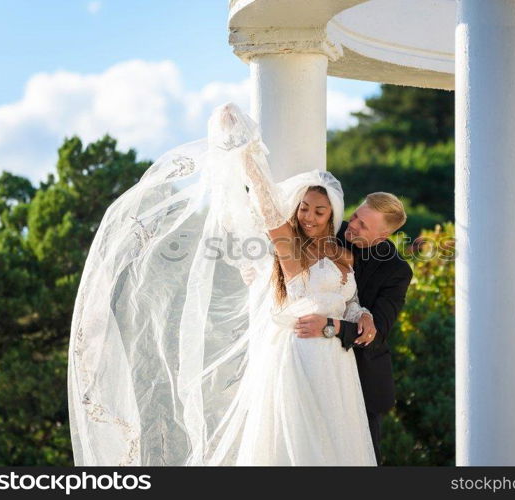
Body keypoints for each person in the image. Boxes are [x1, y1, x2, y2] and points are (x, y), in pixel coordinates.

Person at [67, 102, 378, 465]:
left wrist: (364, 314)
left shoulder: (343, 256)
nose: (309, 216)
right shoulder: (290, 250)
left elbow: (347, 302)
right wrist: (246, 153)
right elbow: (267, 208)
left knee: (337, 443)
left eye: (319, 211)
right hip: (302, 354)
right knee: (302, 444)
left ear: (332, 215)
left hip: (337, 361)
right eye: (304, 208)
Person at [292, 193, 413, 464]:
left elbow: (377, 334)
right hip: (310, 363)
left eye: (362, 226)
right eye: (356, 215)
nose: (352, 225)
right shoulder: (331, 230)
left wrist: (331, 326)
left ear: (382, 238)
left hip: (362, 377)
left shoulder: (397, 272)